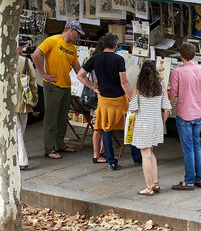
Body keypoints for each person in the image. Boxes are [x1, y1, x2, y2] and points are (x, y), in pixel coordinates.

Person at [77, 33, 131, 171]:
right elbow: (124, 81)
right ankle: (137, 158)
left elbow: (80, 75)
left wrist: (93, 88)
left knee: (106, 129)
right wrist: (130, 96)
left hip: (104, 99)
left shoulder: (95, 58)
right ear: (116, 46)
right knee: (129, 126)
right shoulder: (119, 59)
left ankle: (111, 162)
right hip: (119, 100)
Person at [32, 20, 85, 159]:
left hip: (66, 86)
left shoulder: (72, 48)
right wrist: (43, 74)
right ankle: (49, 148)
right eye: (78, 33)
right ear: (71, 30)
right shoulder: (52, 40)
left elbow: (77, 69)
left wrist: (89, 81)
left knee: (62, 118)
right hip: (53, 86)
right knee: (51, 118)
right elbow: (36, 55)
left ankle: (60, 144)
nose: (78, 37)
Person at [169, 42, 201, 190]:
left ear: (181, 55)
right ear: (194, 55)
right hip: (198, 112)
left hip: (184, 114)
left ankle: (189, 181)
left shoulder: (177, 72)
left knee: (188, 149)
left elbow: (172, 94)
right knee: (196, 145)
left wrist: (166, 109)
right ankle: (200, 178)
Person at [129, 60, 171, 196]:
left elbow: (133, 108)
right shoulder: (161, 86)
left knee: (145, 155)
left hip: (143, 124)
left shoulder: (138, 87)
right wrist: (162, 122)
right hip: (156, 123)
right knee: (151, 153)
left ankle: (148, 187)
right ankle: (155, 182)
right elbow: (167, 108)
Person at [16, 36, 38, 170]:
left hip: (7, 102)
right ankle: (22, 160)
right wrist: (34, 98)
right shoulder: (25, 61)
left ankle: (19, 157)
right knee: (19, 130)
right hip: (23, 100)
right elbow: (32, 82)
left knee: (18, 131)